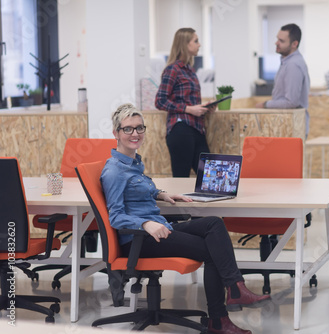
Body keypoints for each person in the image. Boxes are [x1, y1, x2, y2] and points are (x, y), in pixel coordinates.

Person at [101, 103, 270, 334]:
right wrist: (146, 223)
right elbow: (116, 216)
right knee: (213, 250)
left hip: (158, 229)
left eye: (140, 128)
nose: (135, 134)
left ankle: (235, 288)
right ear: (116, 133)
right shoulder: (114, 171)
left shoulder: (132, 163)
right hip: (139, 239)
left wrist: (160, 194)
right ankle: (220, 319)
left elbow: (137, 191)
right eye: (128, 129)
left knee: (214, 223)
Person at [155, 28, 215, 177]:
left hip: (197, 129)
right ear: (185, 44)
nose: (199, 45)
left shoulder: (190, 70)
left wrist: (206, 107)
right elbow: (160, 101)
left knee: (209, 177)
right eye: (195, 41)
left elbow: (190, 101)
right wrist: (188, 109)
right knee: (181, 179)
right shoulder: (172, 69)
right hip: (181, 129)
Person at [255, 23, 311, 136]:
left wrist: (265, 104)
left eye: (282, 41)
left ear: (294, 44)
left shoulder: (293, 65)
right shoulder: (287, 62)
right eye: (277, 39)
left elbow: (292, 102)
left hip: (292, 127)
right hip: (288, 125)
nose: (276, 43)